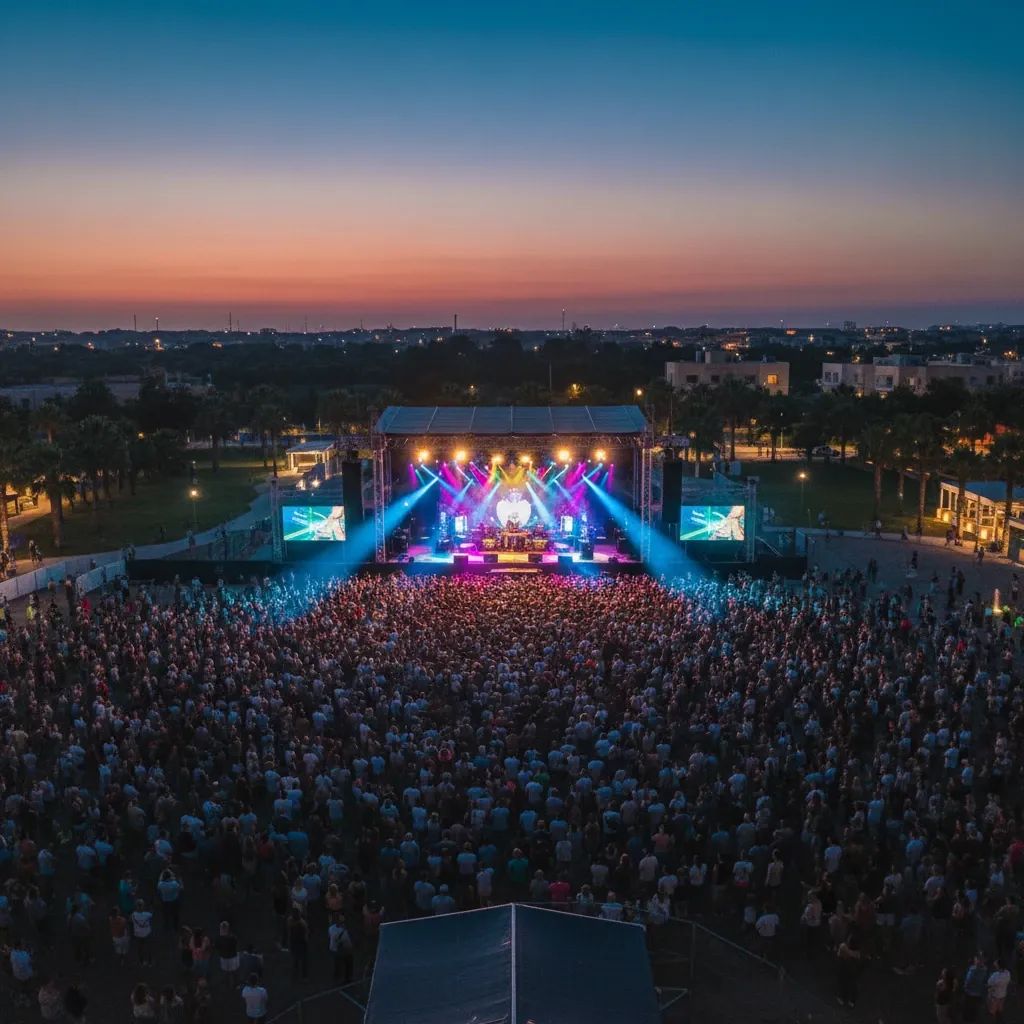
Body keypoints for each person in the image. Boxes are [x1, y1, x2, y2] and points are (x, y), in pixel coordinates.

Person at [836, 937, 861, 1008]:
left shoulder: (845, 947)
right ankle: (846, 998)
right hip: (846, 967)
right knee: (845, 983)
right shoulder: (844, 947)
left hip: (850, 968)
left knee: (849, 983)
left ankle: (849, 999)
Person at [328, 915, 354, 983]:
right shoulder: (344, 932)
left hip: (333, 949)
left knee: (337, 963)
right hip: (343, 950)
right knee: (348, 963)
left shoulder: (331, 928)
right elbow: (347, 943)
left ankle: (336, 976)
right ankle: (347, 978)